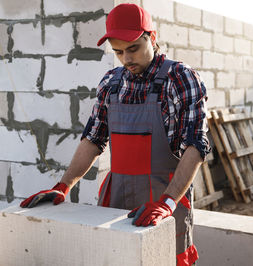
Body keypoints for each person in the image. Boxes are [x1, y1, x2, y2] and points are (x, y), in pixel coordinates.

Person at [20, 3, 210, 265]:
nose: (126, 59)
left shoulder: (181, 78)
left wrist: (167, 203)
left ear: (151, 38)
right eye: (119, 52)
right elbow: (93, 139)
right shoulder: (111, 82)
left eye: (133, 49)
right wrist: (63, 186)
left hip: (164, 198)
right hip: (116, 198)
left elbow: (197, 145)